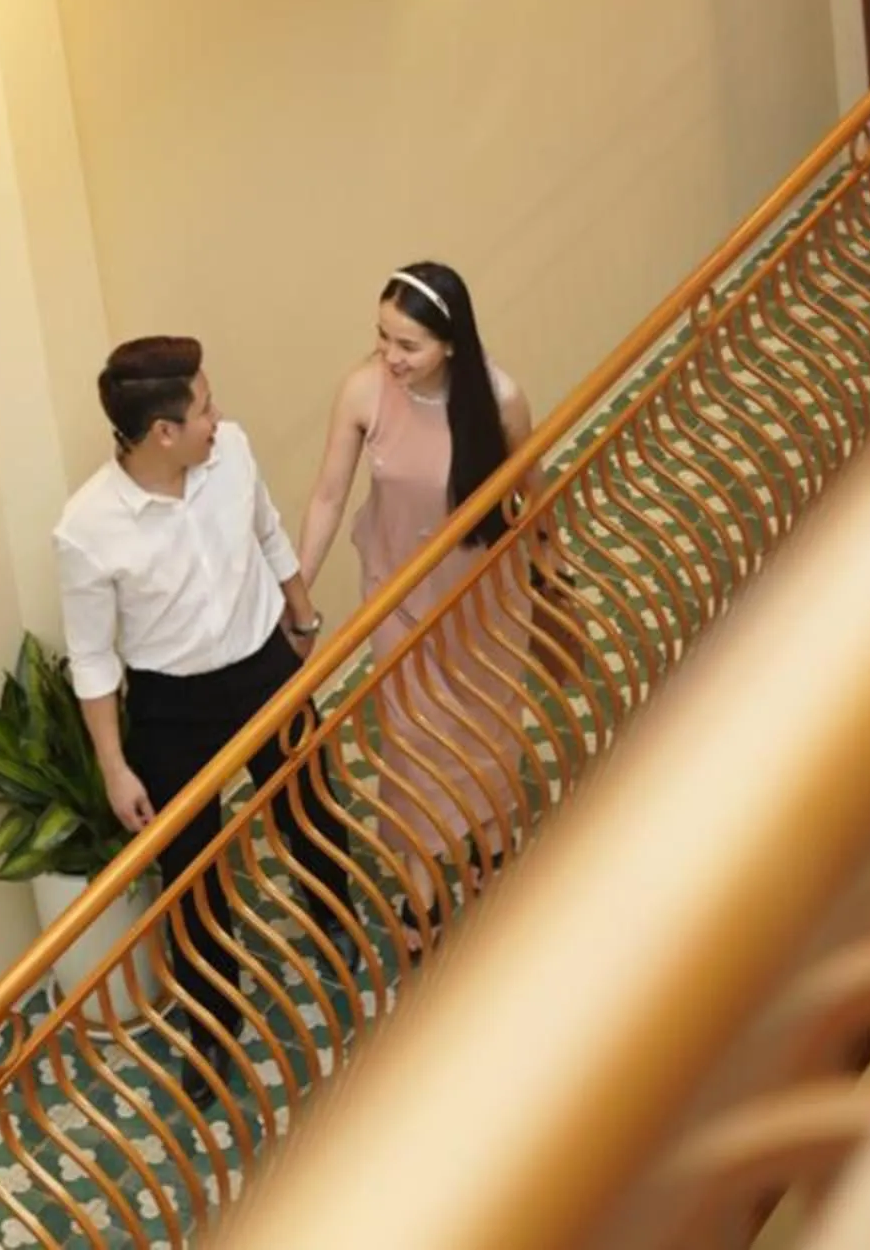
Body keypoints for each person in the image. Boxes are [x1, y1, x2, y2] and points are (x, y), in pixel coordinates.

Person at [54, 336, 354, 1080]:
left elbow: (268, 531)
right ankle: (214, 1024)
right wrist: (116, 768)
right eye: (204, 408)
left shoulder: (234, 453)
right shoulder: (87, 528)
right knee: (191, 874)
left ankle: (335, 921)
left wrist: (302, 611)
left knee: (309, 809)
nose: (217, 419)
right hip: (171, 705)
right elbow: (91, 659)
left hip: (263, 666)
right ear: (163, 433)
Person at [295, 259, 545, 924]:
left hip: (483, 595)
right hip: (396, 591)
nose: (390, 356)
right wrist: (297, 591)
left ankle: (491, 844)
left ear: (451, 345)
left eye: (408, 345)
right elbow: (327, 495)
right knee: (409, 738)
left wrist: (552, 564)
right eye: (382, 337)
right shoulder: (362, 390)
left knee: (484, 727)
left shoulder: (499, 396)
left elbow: (532, 486)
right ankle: (420, 887)